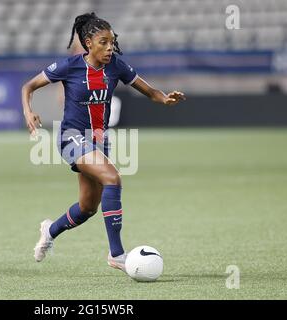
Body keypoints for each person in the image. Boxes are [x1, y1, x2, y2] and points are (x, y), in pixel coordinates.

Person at [21, 12, 185, 272]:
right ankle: (117, 254)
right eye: (103, 42)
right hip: (71, 137)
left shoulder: (116, 66)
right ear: (88, 43)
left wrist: (164, 98)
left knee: (87, 207)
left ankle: (49, 231)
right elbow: (28, 87)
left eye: (112, 42)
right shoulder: (69, 66)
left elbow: (149, 90)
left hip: (99, 140)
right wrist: (29, 112)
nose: (110, 47)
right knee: (112, 178)